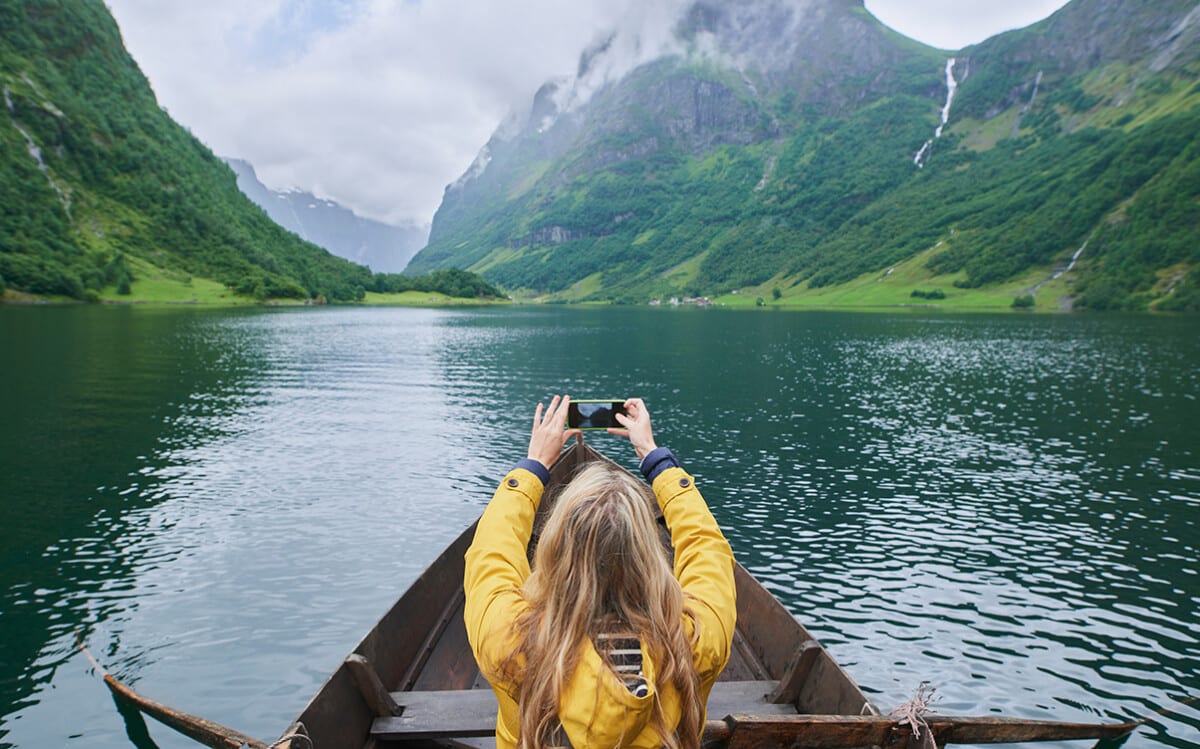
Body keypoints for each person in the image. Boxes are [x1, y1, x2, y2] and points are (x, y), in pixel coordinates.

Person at [464, 396, 737, 749]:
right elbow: (707, 549)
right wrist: (656, 460)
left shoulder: (507, 639)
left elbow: (491, 553)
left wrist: (532, 468)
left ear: (553, 553)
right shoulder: (698, 638)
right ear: (649, 559)